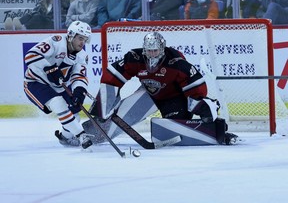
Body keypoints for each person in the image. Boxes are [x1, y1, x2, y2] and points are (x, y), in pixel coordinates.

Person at [89, 32, 238, 145]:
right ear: (144, 49)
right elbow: (112, 78)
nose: (152, 54)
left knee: (171, 130)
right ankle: (91, 135)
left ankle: (215, 127)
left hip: (174, 98)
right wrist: (102, 108)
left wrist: (201, 107)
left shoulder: (176, 62)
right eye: (149, 50)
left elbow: (195, 86)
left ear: (162, 48)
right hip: (148, 96)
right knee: (121, 118)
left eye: (155, 50)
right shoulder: (135, 57)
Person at [23, 21, 93, 149]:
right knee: (58, 103)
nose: (82, 42)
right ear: (71, 35)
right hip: (36, 82)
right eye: (80, 38)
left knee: (75, 114)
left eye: (85, 39)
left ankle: (65, 138)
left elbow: (79, 76)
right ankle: (82, 135)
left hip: (58, 86)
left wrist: (79, 91)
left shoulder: (82, 56)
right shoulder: (56, 42)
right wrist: (49, 68)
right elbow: (30, 56)